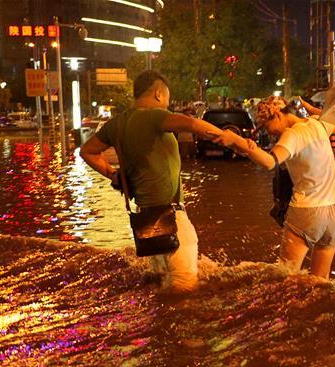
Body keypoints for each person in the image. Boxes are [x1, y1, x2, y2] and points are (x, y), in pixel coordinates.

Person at [79, 70, 226, 293]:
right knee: (185, 291)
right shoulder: (154, 115)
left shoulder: (117, 124)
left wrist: (114, 175)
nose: (167, 102)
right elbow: (192, 124)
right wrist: (232, 139)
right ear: (158, 93)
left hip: (147, 225)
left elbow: (87, 151)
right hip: (172, 219)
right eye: (167, 97)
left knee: (162, 287)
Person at [217, 96, 335, 279]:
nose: (268, 132)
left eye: (265, 126)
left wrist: (236, 141)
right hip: (333, 213)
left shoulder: (292, 134)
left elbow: (270, 162)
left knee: (285, 279)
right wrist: (310, 108)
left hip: (307, 211)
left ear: (277, 114)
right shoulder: (318, 123)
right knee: (321, 282)